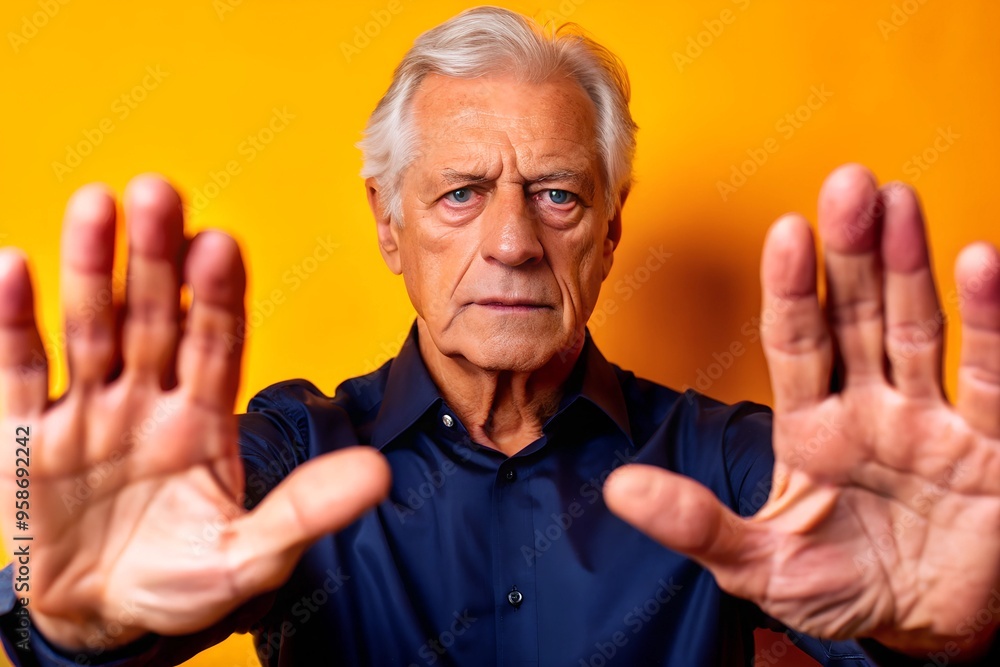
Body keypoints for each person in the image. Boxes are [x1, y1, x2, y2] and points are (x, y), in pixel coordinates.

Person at [1, 5, 999, 666]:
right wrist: (56, 609)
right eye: (461, 193)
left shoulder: (727, 459)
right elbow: (87, 591)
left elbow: (894, 596)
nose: (514, 242)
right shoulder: (292, 449)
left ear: (611, 230)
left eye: (557, 194)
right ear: (388, 223)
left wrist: (955, 629)